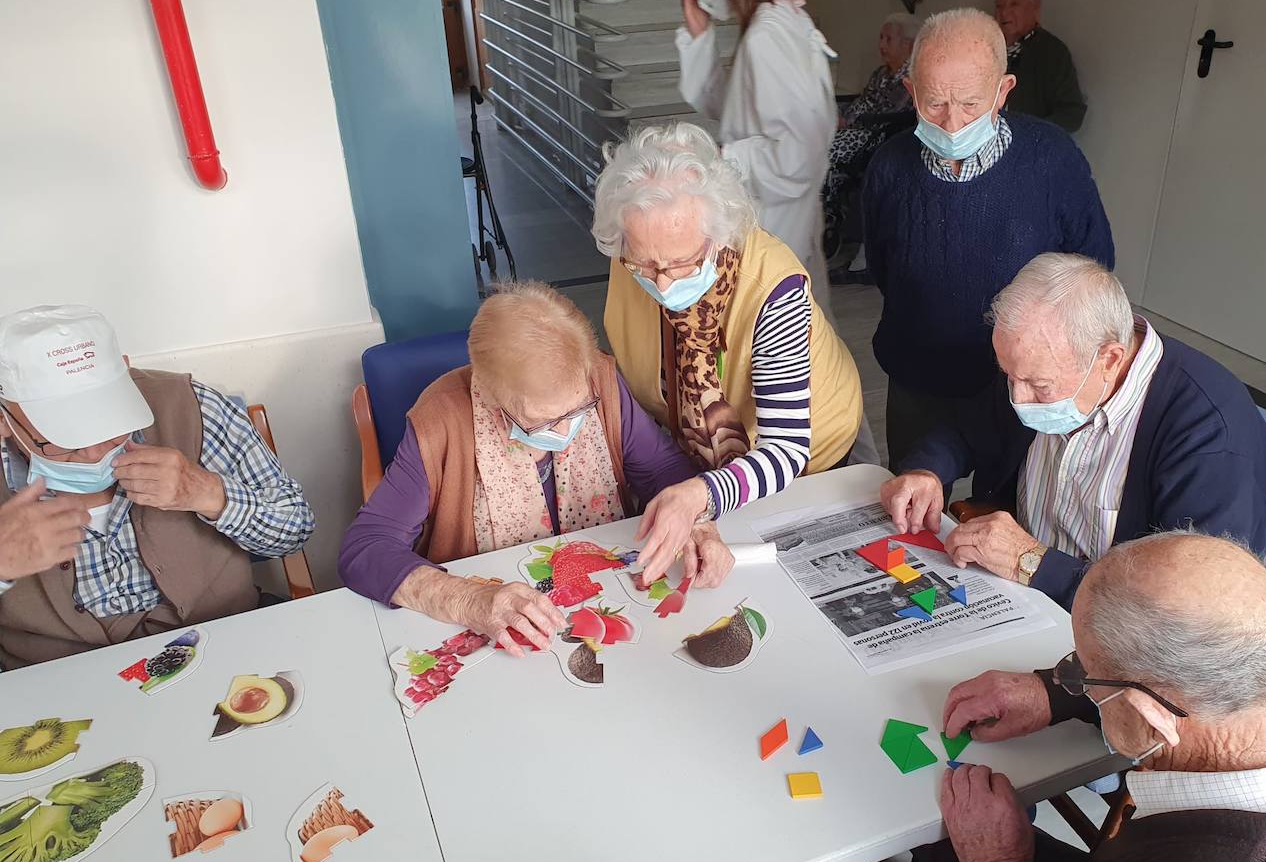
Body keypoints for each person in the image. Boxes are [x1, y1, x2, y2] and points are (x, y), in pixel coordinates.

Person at [819, 532, 1266, 862]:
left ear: (1149, 713)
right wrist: (1054, 694)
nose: (1074, 678)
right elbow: (1197, 689)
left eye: (1083, 671)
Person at [338, 282, 735, 656]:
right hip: (509, 637)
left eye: (578, 411)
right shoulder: (441, 419)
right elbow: (366, 548)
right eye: (543, 423)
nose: (566, 432)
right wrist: (466, 599)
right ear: (492, 399)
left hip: (605, 610)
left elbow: (662, 469)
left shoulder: (599, 379)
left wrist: (697, 523)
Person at [882, 254, 1266, 610]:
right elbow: (966, 425)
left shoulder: (1211, 437)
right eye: (1009, 377)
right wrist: (927, 471)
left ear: (1109, 359)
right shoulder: (1042, 361)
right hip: (1016, 589)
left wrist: (1035, 563)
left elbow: (1192, 603)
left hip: (1115, 630)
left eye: (1040, 387)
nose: (1018, 400)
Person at [597, 122, 863, 583]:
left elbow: (786, 449)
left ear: (721, 235)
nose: (662, 283)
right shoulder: (632, 252)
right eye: (647, 264)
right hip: (699, 464)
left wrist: (699, 494)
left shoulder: (773, 288)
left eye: (682, 263)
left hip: (802, 453)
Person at [863, 8, 1113, 468]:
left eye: (971, 104)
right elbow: (884, 265)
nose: (953, 123)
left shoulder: (1052, 159)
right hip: (920, 373)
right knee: (912, 501)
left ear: (1003, 91)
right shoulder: (889, 166)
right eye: (934, 103)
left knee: (1003, 518)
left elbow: (1093, 267)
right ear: (911, 91)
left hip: (1023, 384)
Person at [0, 304, 315, 668]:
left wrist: (209, 493)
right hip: (54, 681)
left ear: (125, 373)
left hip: (222, 646)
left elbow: (294, 532)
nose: (94, 452)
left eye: (109, 424)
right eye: (62, 441)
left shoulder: (191, 405)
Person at [677, 0, 837, 310]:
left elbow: (798, 153)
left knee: (777, 339)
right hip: (780, 220)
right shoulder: (781, 20)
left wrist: (726, 157)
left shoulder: (768, 34)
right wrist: (700, 37)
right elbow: (737, 107)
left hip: (776, 222)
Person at [822, 12, 918, 260]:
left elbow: (888, 113)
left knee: (826, 152)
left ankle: (829, 214)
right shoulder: (881, 73)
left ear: (908, 45)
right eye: (881, 38)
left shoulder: (910, 79)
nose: (882, 45)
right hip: (856, 128)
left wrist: (850, 120)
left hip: (876, 135)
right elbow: (863, 102)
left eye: (889, 39)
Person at [995, 0, 1086, 132]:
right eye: (999, 6)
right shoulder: (986, 45)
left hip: (1026, 145)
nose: (1004, 12)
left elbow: (1072, 113)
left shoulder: (1052, 52)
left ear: (1035, 8)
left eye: (1014, 5)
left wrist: (1033, 135)